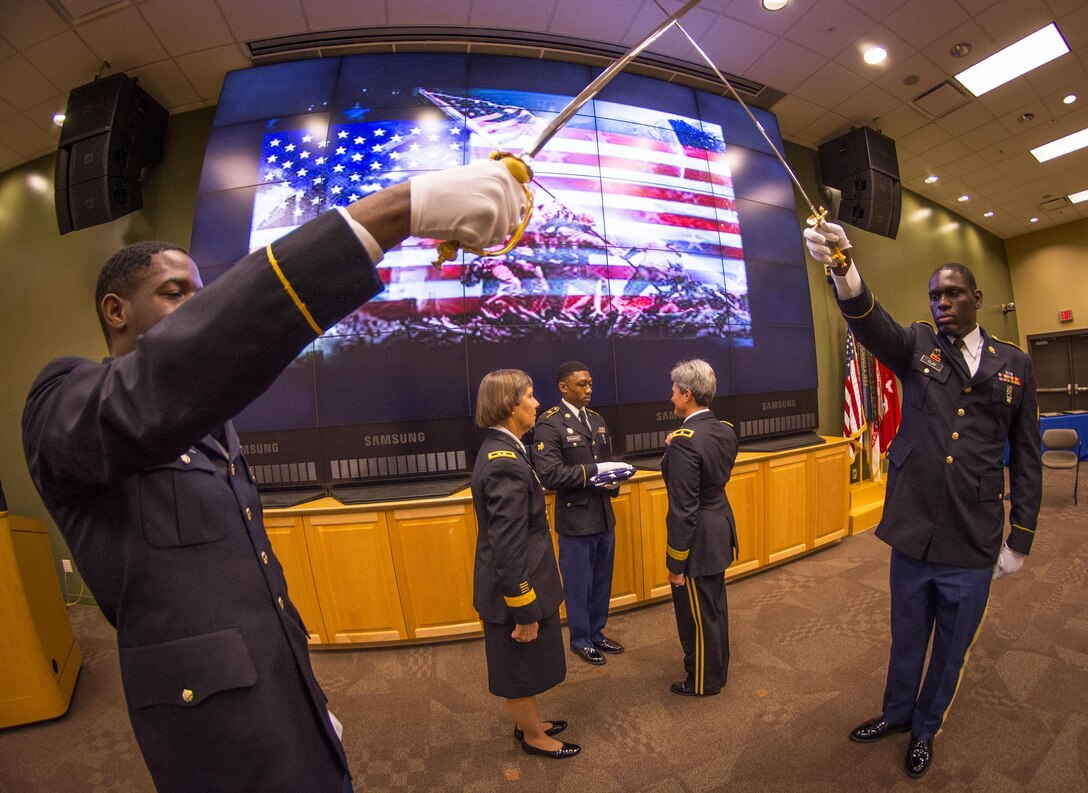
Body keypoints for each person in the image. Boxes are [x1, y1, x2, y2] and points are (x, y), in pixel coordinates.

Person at [21, 160, 526, 793]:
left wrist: (307, 708)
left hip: (284, 706)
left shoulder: (214, 429)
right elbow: (162, 382)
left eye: (203, 292)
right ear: (116, 310)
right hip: (217, 744)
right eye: (176, 292)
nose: (196, 305)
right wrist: (396, 210)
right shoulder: (64, 399)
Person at [803, 221, 1042, 779]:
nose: (942, 303)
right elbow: (869, 322)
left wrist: (1021, 537)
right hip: (913, 530)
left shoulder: (1015, 365)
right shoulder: (917, 345)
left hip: (972, 536)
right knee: (907, 635)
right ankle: (895, 714)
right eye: (935, 295)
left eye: (953, 293)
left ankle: (927, 728)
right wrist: (843, 267)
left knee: (951, 650)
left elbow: (1027, 457)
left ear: (977, 299)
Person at [470, 370, 580, 760]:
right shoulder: (504, 462)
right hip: (513, 592)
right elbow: (508, 545)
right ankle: (534, 737)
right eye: (530, 397)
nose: (537, 404)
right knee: (517, 670)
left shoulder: (507, 448)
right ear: (508, 405)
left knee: (526, 664)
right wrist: (523, 609)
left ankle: (529, 723)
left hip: (518, 584)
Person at [532, 361, 631, 665]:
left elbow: (605, 462)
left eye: (590, 384)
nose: (589, 390)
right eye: (581, 385)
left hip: (603, 515)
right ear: (563, 387)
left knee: (602, 580)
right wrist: (595, 472)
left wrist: (613, 478)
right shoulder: (550, 423)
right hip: (575, 519)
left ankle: (597, 632)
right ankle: (580, 639)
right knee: (578, 584)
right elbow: (550, 474)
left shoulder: (598, 420)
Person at [661, 359, 738, 697]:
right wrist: (674, 449)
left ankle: (704, 681)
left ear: (687, 394)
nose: (671, 397)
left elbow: (683, 510)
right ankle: (718, 669)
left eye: (675, 391)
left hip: (696, 540)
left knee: (696, 616)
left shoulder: (684, 441)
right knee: (714, 608)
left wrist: (676, 563)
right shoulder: (723, 429)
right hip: (719, 527)